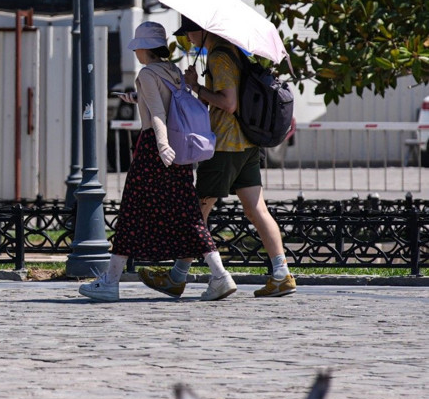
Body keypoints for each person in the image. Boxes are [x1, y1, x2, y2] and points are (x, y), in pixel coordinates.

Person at [141, 15, 296, 299]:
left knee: (197, 211)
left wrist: (196, 87)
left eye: (189, 33)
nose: (187, 39)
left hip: (225, 146)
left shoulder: (220, 57)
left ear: (202, 30)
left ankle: (182, 278)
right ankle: (281, 274)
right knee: (255, 209)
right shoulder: (233, 51)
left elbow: (228, 103)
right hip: (247, 145)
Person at [79, 22, 235, 301]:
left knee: (130, 213)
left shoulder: (147, 73)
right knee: (188, 215)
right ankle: (220, 276)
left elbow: (159, 114)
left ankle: (110, 282)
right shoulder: (172, 70)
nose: (136, 50)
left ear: (144, 48)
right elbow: (165, 101)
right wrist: (136, 99)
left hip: (155, 149)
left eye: (138, 45)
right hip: (180, 150)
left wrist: (161, 146)